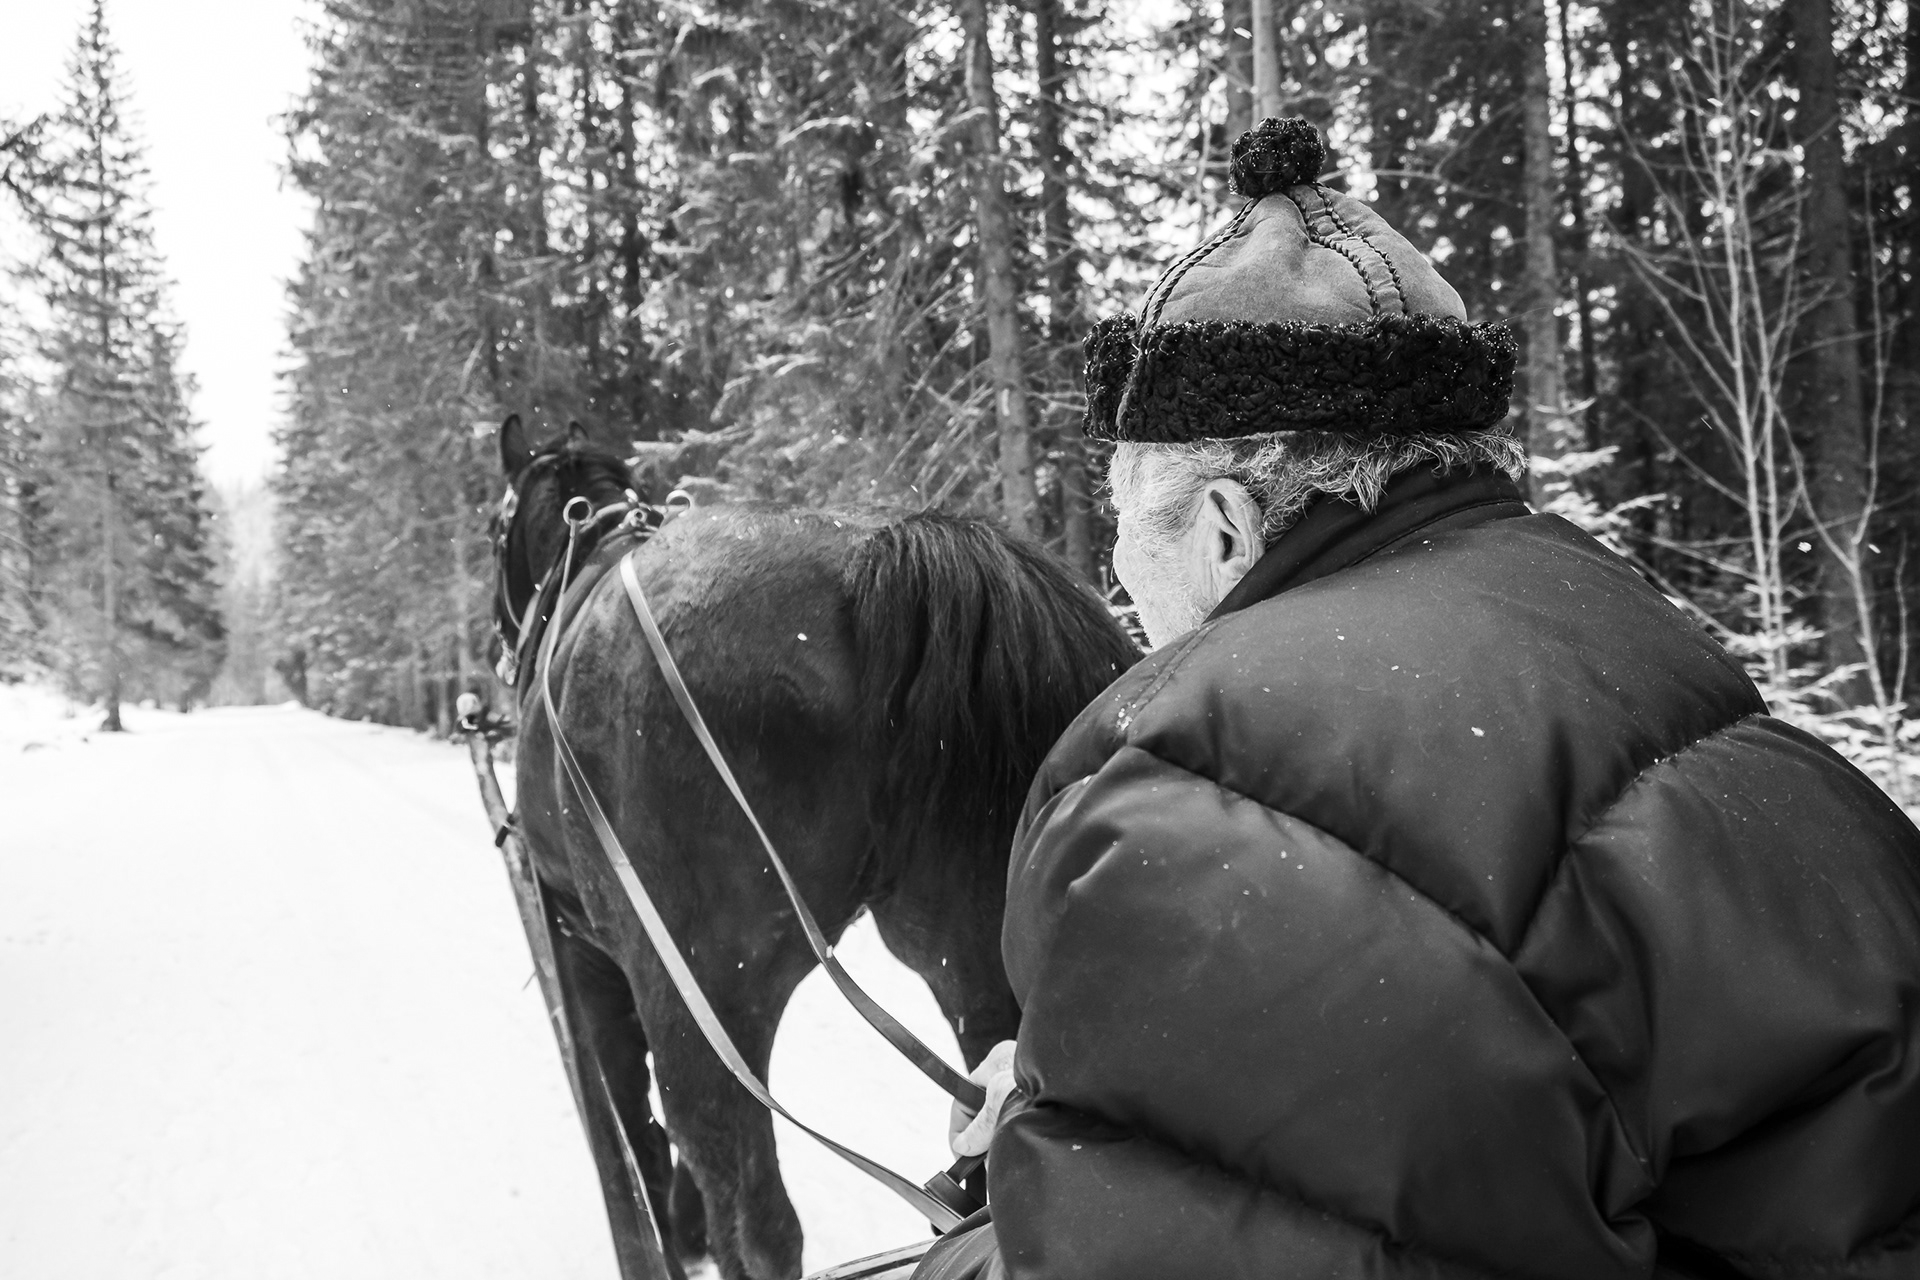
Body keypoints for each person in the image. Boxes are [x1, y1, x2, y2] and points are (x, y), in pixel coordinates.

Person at [914, 118, 1920, 1280]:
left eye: (1129, 537)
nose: (1121, 580)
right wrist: (1108, 1084)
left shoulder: (1195, 782)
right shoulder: (1617, 629)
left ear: (1227, 525)